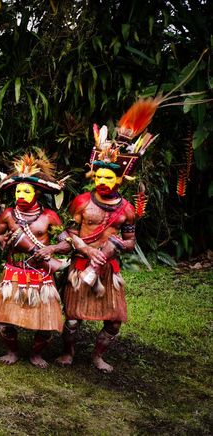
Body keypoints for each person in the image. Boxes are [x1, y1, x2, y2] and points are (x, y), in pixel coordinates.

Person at [57, 99, 156, 372]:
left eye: (108, 178)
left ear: (119, 180)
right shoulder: (80, 202)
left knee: (113, 322)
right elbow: (68, 232)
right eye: (98, 176)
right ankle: (68, 352)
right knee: (73, 319)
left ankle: (98, 356)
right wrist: (86, 250)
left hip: (108, 270)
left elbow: (131, 242)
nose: (102, 181)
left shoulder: (126, 210)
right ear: (93, 176)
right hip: (80, 266)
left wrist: (114, 245)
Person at [0, 152, 66, 368]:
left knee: (46, 325)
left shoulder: (49, 216)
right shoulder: (8, 214)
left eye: (26, 190)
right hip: (15, 271)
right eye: (18, 190)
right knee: (5, 324)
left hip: (41, 273)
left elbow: (67, 240)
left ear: (37, 193)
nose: (20, 194)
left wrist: (52, 247)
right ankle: (12, 351)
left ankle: (36, 354)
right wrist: (1, 238)